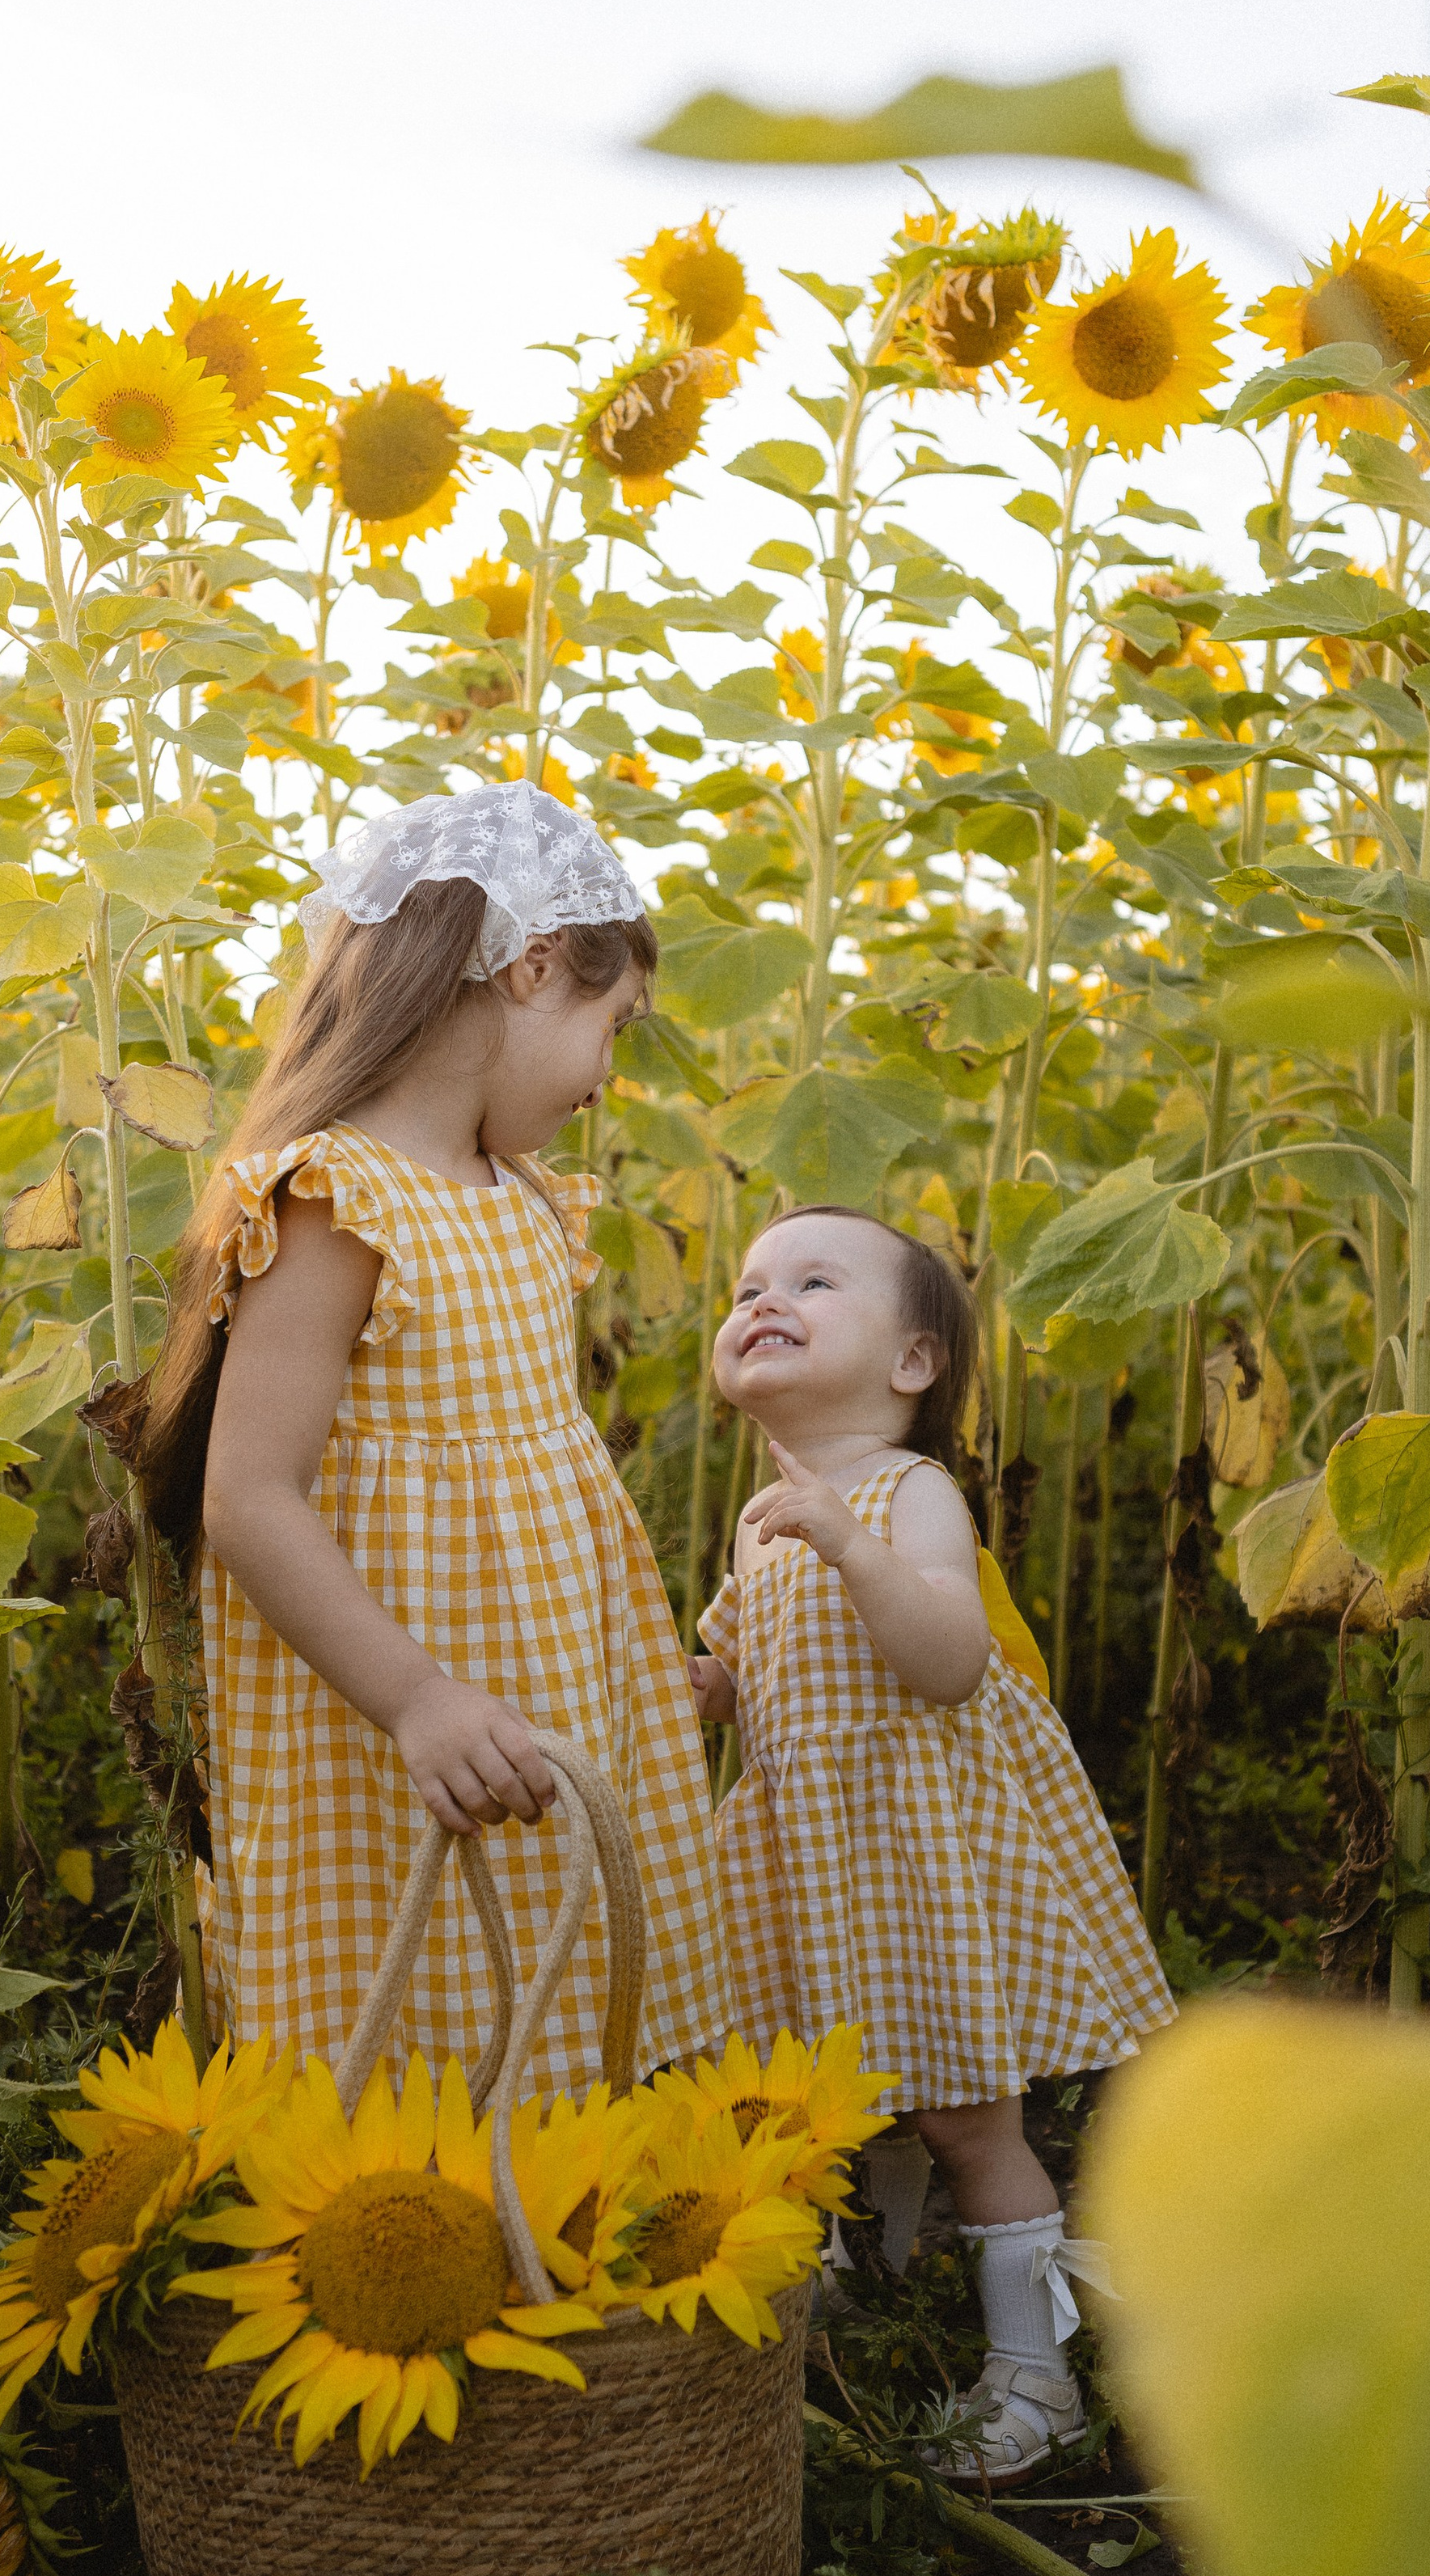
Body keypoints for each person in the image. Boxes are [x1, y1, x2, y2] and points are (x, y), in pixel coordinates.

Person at [134, 782, 726, 2100]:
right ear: (531, 969)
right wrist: (416, 1699)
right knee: (418, 1986)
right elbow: (252, 1499)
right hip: (395, 1691)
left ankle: (549, 2188)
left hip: (535, 1683)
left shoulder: (522, 1199)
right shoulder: (338, 1198)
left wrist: (624, 1671)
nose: (608, 1079)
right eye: (615, 1026)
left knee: (552, 1950)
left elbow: (533, 1483)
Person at [688, 1203, 1175, 2481]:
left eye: (814, 1281)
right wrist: (699, 1687)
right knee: (833, 2097)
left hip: (920, 1858)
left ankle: (1034, 2371)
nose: (764, 1299)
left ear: (914, 1362)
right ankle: (881, 2294)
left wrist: (853, 1546)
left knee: (966, 2118)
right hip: (812, 1861)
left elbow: (951, 1660)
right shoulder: (760, 1519)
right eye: (747, 1287)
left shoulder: (912, 1495)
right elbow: (754, 1663)